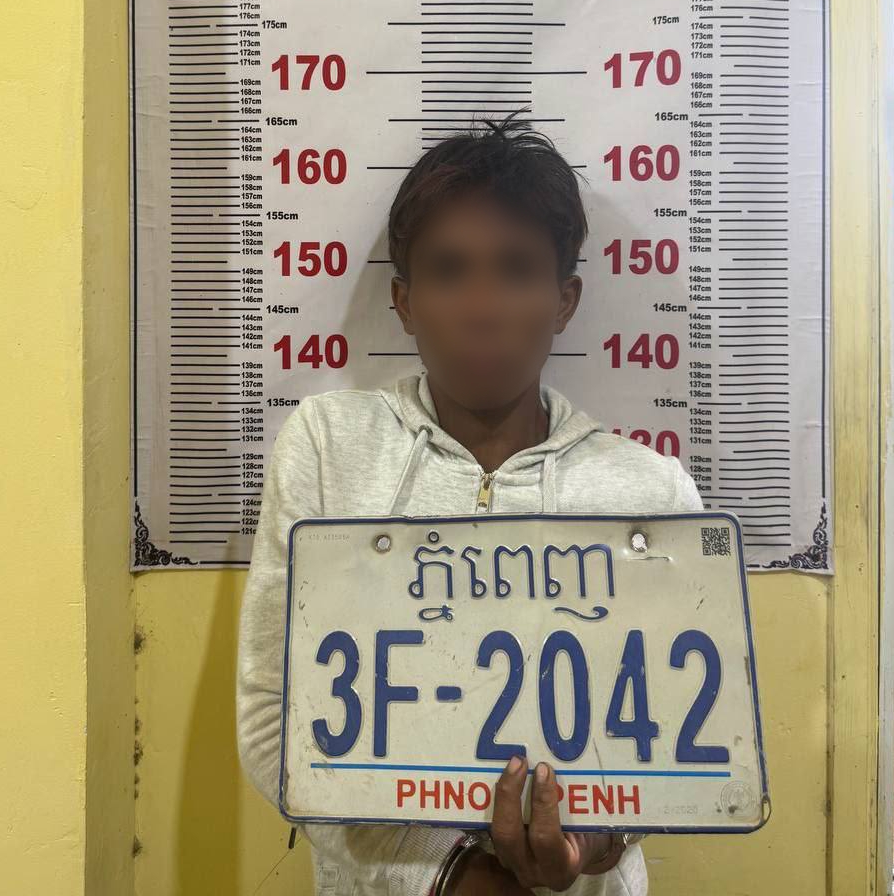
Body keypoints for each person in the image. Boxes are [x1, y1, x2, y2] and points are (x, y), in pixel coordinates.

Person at [236, 110, 704, 895]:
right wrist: (450, 874)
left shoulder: (651, 494)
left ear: (564, 300)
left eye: (516, 270)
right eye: (450, 271)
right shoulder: (327, 448)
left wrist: (593, 840)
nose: (482, 307)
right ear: (404, 301)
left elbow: (676, 734)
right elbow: (272, 718)